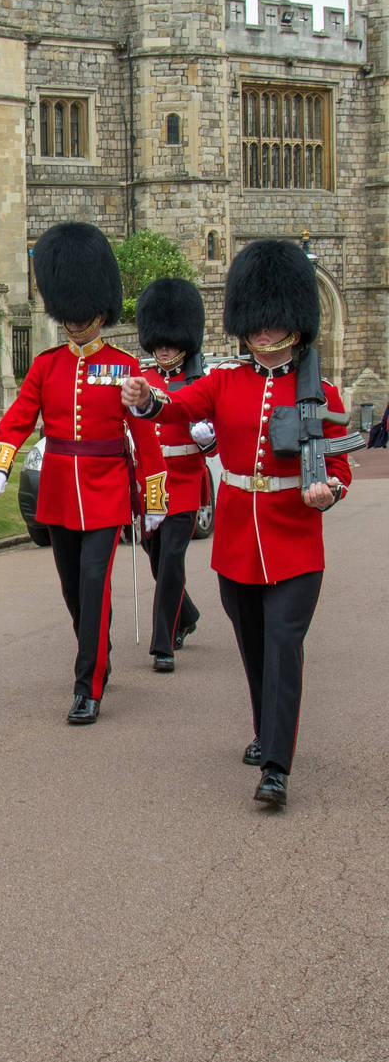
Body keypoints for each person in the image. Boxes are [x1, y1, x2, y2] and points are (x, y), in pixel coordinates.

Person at [122, 238, 352, 811]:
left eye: (273, 327)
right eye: (256, 327)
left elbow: (341, 463)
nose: (263, 336)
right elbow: (174, 408)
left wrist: (329, 493)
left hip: (297, 543)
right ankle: (264, 731)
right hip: (237, 543)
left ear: (295, 326)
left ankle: (276, 765)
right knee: (254, 651)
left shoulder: (318, 392)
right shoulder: (225, 382)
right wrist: (145, 398)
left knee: (283, 646)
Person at [0, 221, 167, 725]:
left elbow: (146, 439)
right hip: (60, 492)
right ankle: (96, 643)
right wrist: (1, 461)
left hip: (107, 491)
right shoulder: (46, 366)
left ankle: (87, 685)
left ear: (100, 311)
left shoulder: (126, 366)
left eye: (82, 315)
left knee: (94, 582)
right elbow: (19, 417)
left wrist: (154, 501)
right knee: (73, 589)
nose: (75, 324)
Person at [134, 277, 218, 673]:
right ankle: (187, 615)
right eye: (160, 342)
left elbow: (215, 447)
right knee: (156, 561)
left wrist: (205, 438)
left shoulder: (201, 383)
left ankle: (162, 643)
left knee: (171, 561)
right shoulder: (144, 380)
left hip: (184, 481)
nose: (165, 348)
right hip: (150, 484)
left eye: (171, 342)